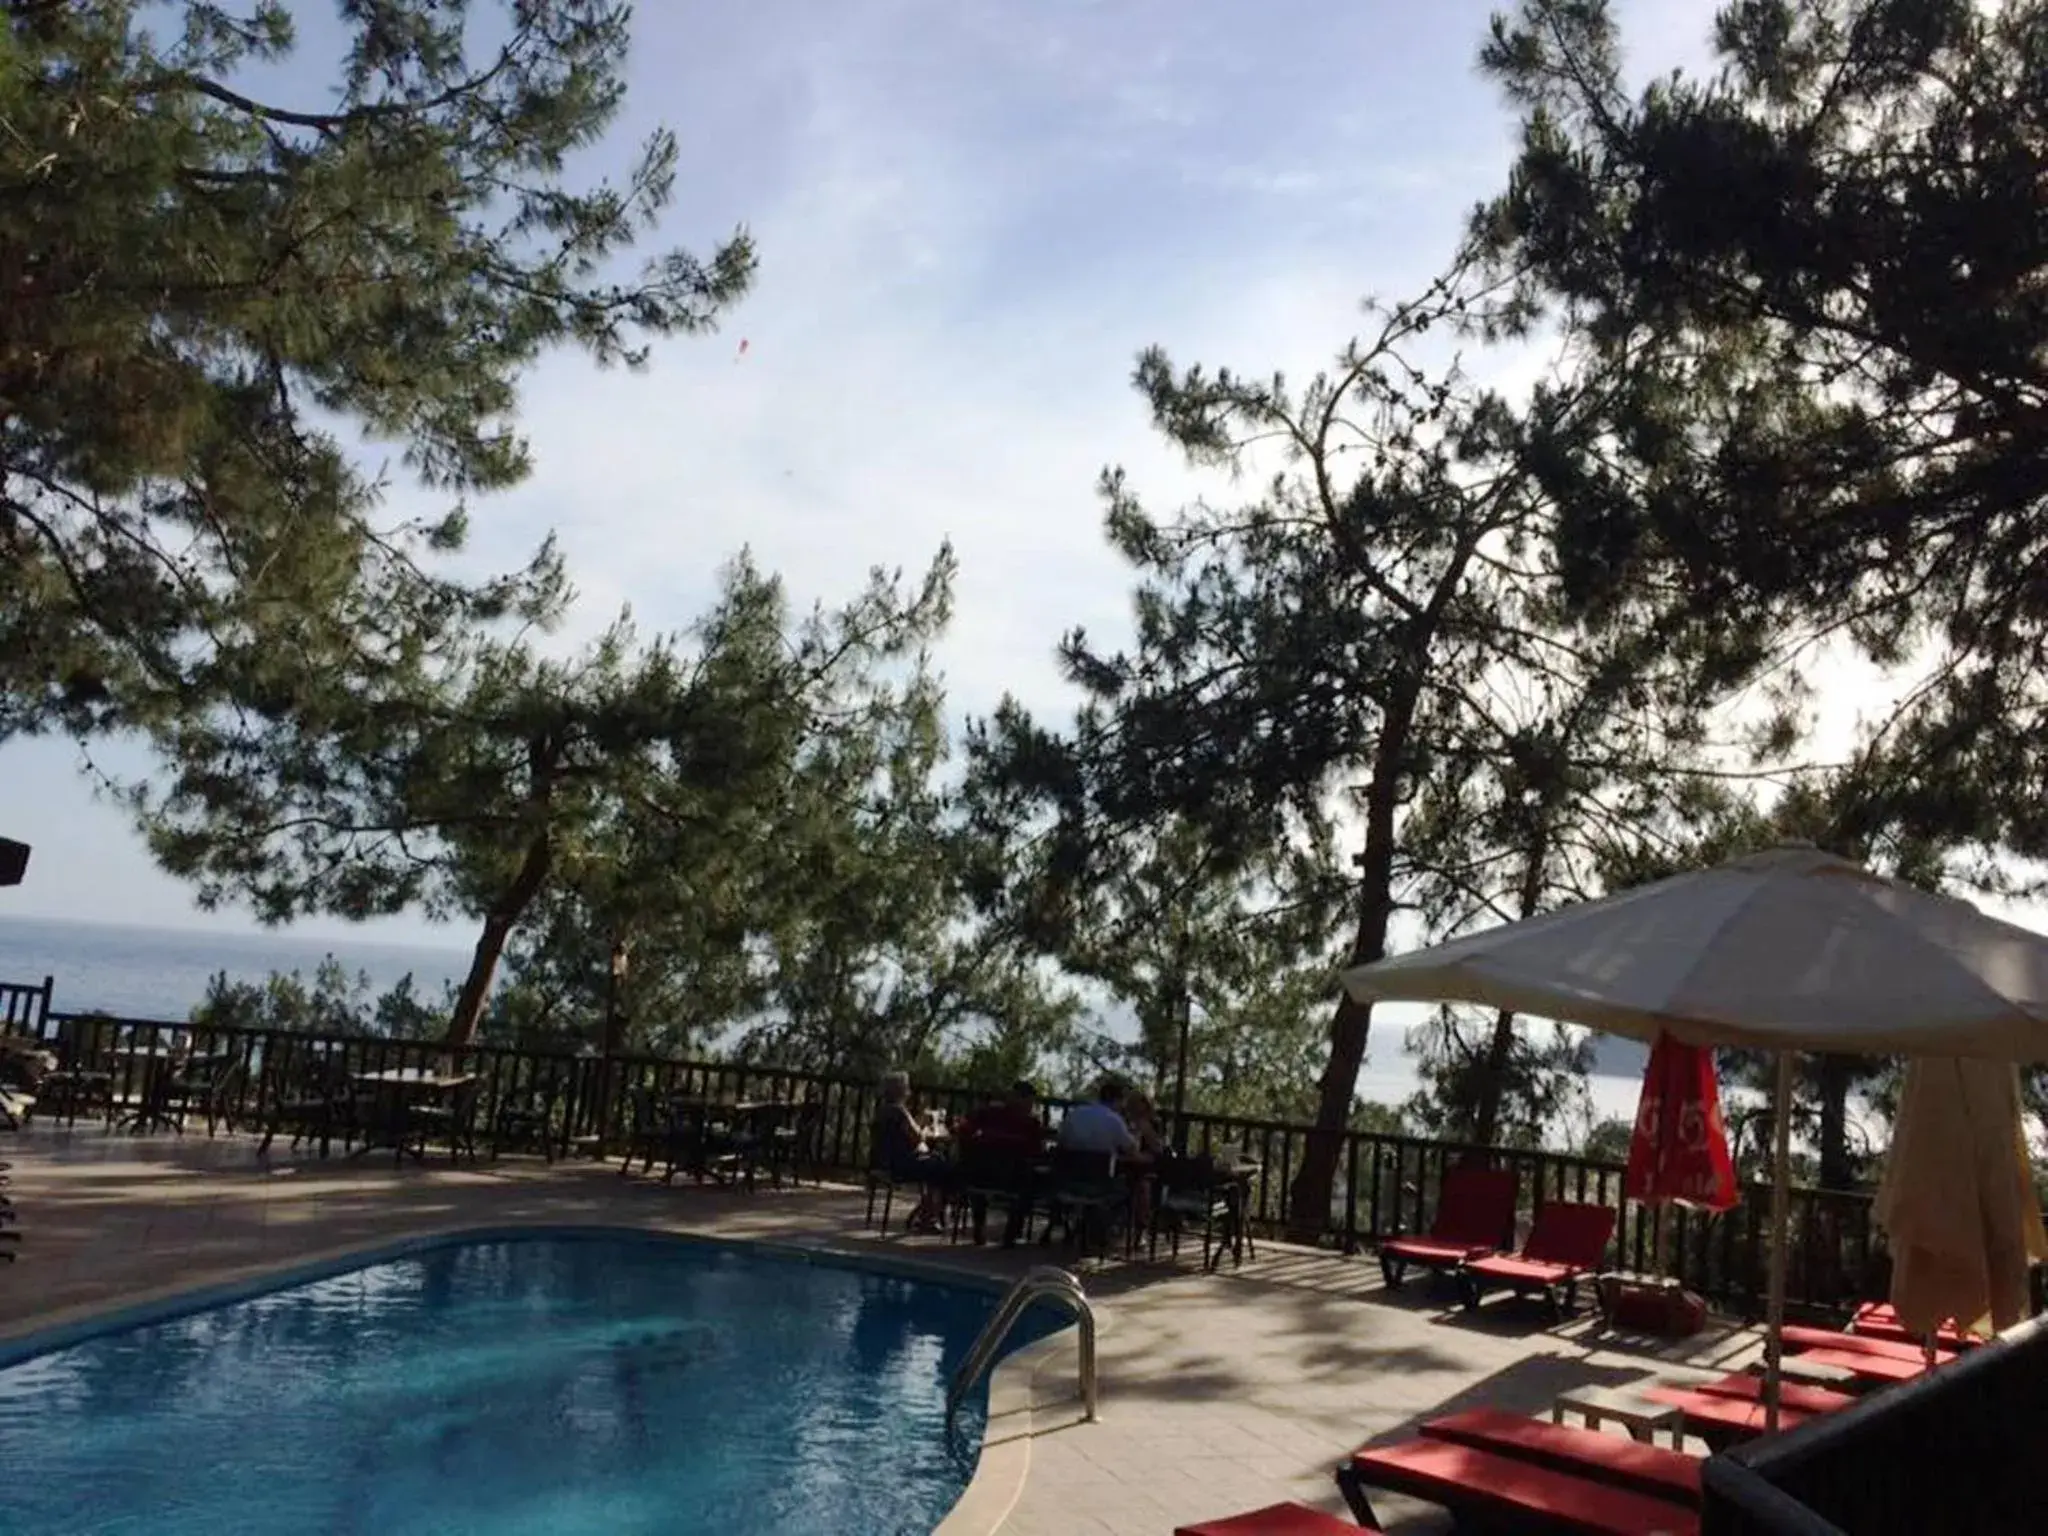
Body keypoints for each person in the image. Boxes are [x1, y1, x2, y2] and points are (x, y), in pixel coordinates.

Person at [957, 1081, 1045, 1246]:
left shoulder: (988, 1113)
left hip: (980, 1175)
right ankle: (1012, 1233)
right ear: (1025, 1100)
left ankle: (979, 1225)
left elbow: (964, 1128)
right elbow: (1037, 1154)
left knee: (976, 1173)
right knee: (1032, 1182)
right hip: (1011, 1180)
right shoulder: (1030, 1124)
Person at [872, 1070, 949, 1232]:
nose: (909, 1091)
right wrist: (927, 1124)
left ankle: (926, 1212)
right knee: (942, 1167)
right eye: (907, 1087)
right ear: (901, 1090)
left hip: (885, 1163)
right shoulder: (899, 1111)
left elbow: (909, 1132)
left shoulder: (882, 1110)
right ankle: (928, 1216)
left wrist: (919, 1123)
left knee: (935, 1163)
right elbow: (917, 1137)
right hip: (901, 1166)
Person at [1056, 1078, 1138, 1158]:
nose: (1122, 1106)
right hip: (1100, 1170)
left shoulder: (1075, 1113)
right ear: (1117, 1100)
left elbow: (1061, 1141)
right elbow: (1131, 1149)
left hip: (1068, 1169)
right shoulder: (1114, 1120)